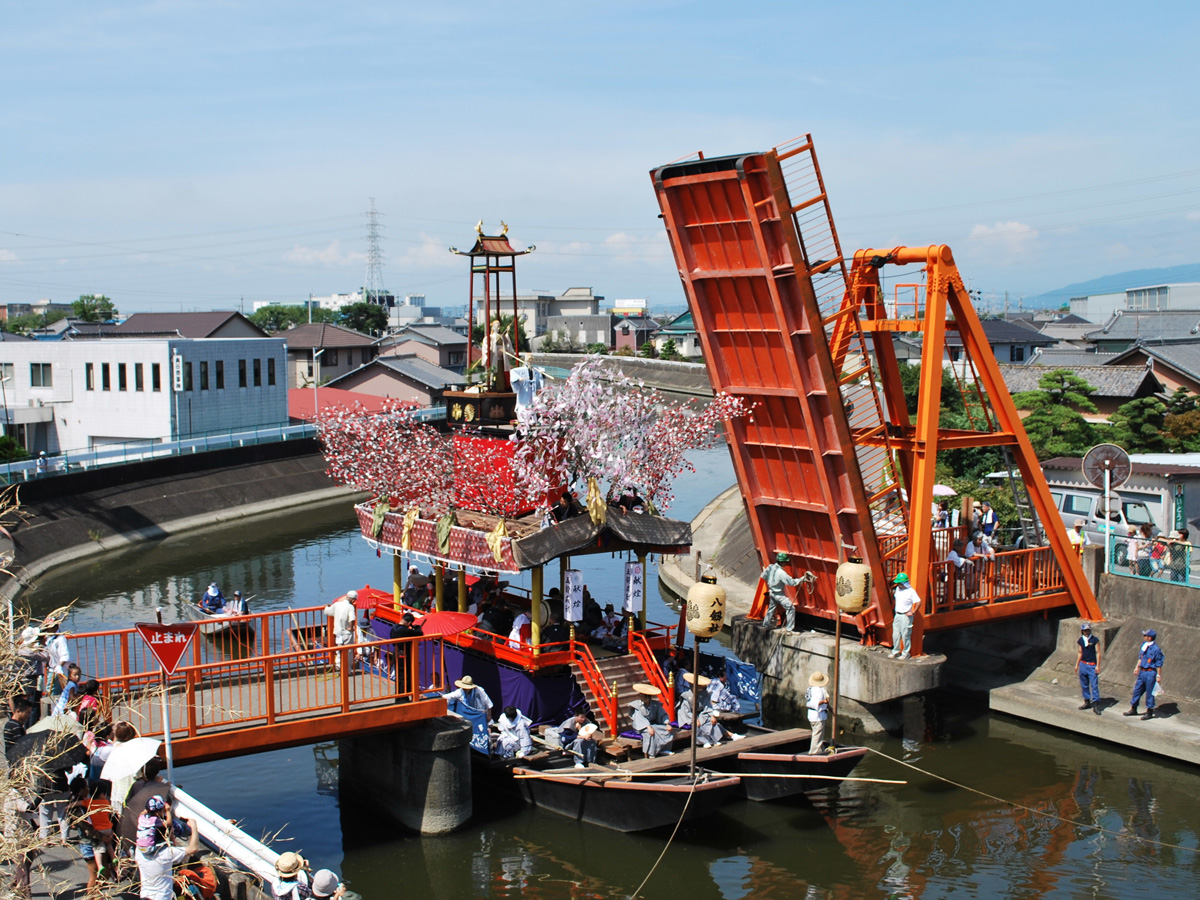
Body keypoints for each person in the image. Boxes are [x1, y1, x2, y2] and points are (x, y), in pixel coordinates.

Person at [135, 803, 201, 900]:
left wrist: (146, 812)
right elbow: (193, 848)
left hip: (145, 896)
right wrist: (194, 827)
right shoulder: (166, 853)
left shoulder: (139, 851)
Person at [1123, 628, 1164, 720]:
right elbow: (1140, 657)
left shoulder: (1156, 649)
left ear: (1150, 638)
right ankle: (1133, 708)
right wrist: (1137, 667)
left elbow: (1159, 663)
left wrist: (1158, 675)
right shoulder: (1144, 645)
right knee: (1137, 690)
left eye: (1145, 635)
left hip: (1150, 672)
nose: (1144, 637)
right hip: (1142, 671)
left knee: (1150, 692)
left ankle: (1149, 711)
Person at [760, 551, 803, 632]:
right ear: (782, 562)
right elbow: (792, 582)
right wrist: (802, 579)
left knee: (771, 609)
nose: (786, 564)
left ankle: (766, 624)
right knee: (791, 609)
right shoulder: (781, 573)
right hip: (779, 595)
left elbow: (763, 576)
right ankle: (789, 629)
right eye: (785, 562)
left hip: (772, 593)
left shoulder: (770, 567)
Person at [629, 683, 673, 758]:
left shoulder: (655, 704)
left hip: (653, 724)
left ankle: (663, 749)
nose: (640, 697)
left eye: (642, 696)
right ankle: (651, 753)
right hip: (642, 727)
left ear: (648, 697)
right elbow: (639, 718)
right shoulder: (637, 705)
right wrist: (648, 727)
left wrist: (667, 723)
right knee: (651, 733)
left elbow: (662, 714)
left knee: (666, 730)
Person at [323, 590, 358, 671]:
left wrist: (326, 607)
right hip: (347, 633)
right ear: (353, 600)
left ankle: (339, 667)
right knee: (348, 652)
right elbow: (352, 618)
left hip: (338, 633)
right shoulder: (350, 607)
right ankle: (347, 670)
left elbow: (328, 611)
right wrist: (351, 627)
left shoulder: (336, 604)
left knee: (339, 650)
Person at [889, 573, 920, 660]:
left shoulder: (911, 591)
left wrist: (913, 612)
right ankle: (895, 651)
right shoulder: (898, 589)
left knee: (905, 634)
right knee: (895, 634)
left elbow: (918, 602)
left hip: (906, 616)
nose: (898, 585)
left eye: (900, 583)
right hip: (898, 614)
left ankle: (906, 653)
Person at [1074, 622, 1102, 715]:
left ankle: (1096, 704)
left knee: (1094, 685)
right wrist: (1077, 664)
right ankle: (1087, 701)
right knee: (1084, 684)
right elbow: (1079, 652)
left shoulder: (1094, 640)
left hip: (1091, 665)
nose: (1087, 632)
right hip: (1083, 664)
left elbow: (1098, 653)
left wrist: (1098, 665)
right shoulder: (1081, 640)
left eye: (1088, 630)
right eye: (1085, 630)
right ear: (1082, 631)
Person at [805, 671, 830, 755]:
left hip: (811, 715)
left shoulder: (810, 689)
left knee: (817, 733)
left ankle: (820, 748)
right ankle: (814, 752)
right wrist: (824, 701)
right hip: (817, 715)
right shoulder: (818, 690)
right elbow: (817, 702)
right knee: (817, 734)